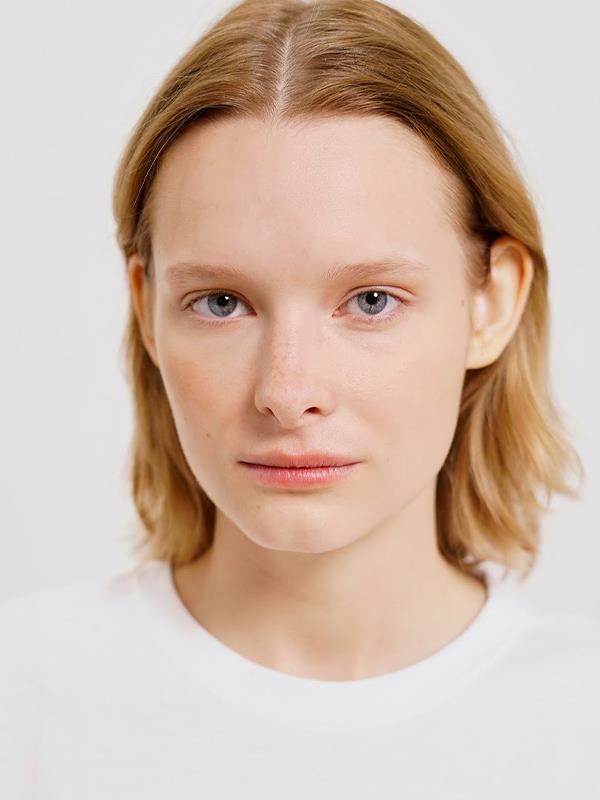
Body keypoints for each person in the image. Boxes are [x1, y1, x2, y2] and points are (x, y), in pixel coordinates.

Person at [2, 0, 599, 797]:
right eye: (221, 303)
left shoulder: (581, 725)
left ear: (491, 303)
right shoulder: (23, 700)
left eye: (372, 301)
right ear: (147, 308)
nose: (287, 393)